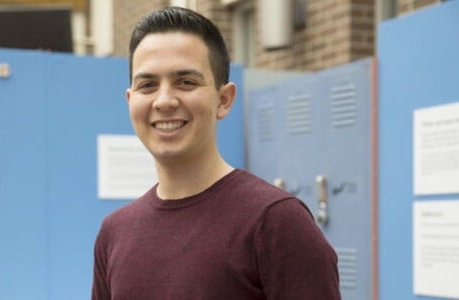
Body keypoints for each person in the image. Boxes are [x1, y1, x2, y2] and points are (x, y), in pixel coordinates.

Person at [92, 6, 340, 300]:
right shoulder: (114, 233)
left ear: (224, 100)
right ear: (130, 101)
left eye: (186, 82)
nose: (165, 100)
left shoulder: (275, 222)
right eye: (148, 85)